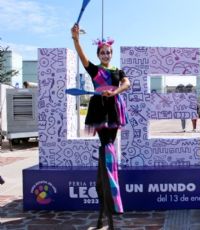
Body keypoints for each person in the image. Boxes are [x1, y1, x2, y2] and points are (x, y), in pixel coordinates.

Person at [72, 24, 130, 230]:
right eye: (103, 52)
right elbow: (82, 58)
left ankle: (109, 175)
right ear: (99, 54)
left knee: (110, 145)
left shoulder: (117, 71)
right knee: (106, 145)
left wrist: (115, 92)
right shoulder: (95, 70)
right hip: (99, 110)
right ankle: (110, 183)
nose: (106, 54)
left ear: (111, 54)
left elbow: (126, 83)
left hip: (114, 108)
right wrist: (76, 40)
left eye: (108, 52)